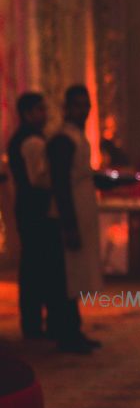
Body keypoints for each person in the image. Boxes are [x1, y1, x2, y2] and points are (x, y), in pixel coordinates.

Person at [47, 84, 103, 352]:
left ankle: (73, 329)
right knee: (67, 277)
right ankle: (65, 333)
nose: (83, 110)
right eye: (78, 105)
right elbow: (60, 183)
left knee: (77, 276)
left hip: (81, 209)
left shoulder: (77, 136)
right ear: (67, 107)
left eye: (86, 105)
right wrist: (69, 225)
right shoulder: (62, 140)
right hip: (68, 213)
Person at [6, 92, 58, 341]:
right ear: (27, 113)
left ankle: (33, 321)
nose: (44, 114)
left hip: (28, 208)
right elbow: (38, 179)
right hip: (36, 209)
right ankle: (34, 322)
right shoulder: (32, 142)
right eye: (40, 109)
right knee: (38, 266)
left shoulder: (23, 139)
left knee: (32, 266)